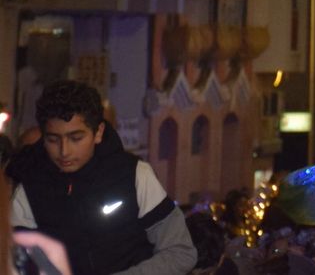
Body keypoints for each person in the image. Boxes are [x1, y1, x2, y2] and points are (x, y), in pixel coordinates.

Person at [6, 81, 195, 275]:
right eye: (53, 140)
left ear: (98, 132)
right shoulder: (29, 188)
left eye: (76, 138)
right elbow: (13, 263)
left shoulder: (135, 175)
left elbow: (180, 252)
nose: (64, 151)